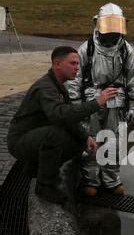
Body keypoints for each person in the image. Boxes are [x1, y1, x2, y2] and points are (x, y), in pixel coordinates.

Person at [7, 46, 117, 205]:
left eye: (78, 64)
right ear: (57, 65)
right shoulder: (46, 87)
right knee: (55, 134)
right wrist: (96, 103)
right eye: (72, 63)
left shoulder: (58, 86)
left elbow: (68, 120)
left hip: (34, 137)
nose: (77, 68)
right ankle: (45, 186)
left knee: (77, 141)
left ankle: (35, 167)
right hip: (19, 142)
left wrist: (86, 137)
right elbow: (60, 115)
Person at [66, 3, 134, 196]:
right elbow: (74, 79)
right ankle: (91, 179)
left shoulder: (126, 50)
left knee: (114, 141)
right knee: (90, 139)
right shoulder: (86, 49)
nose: (112, 33)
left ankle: (111, 179)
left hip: (116, 102)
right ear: (98, 24)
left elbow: (133, 77)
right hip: (91, 103)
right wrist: (76, 107)